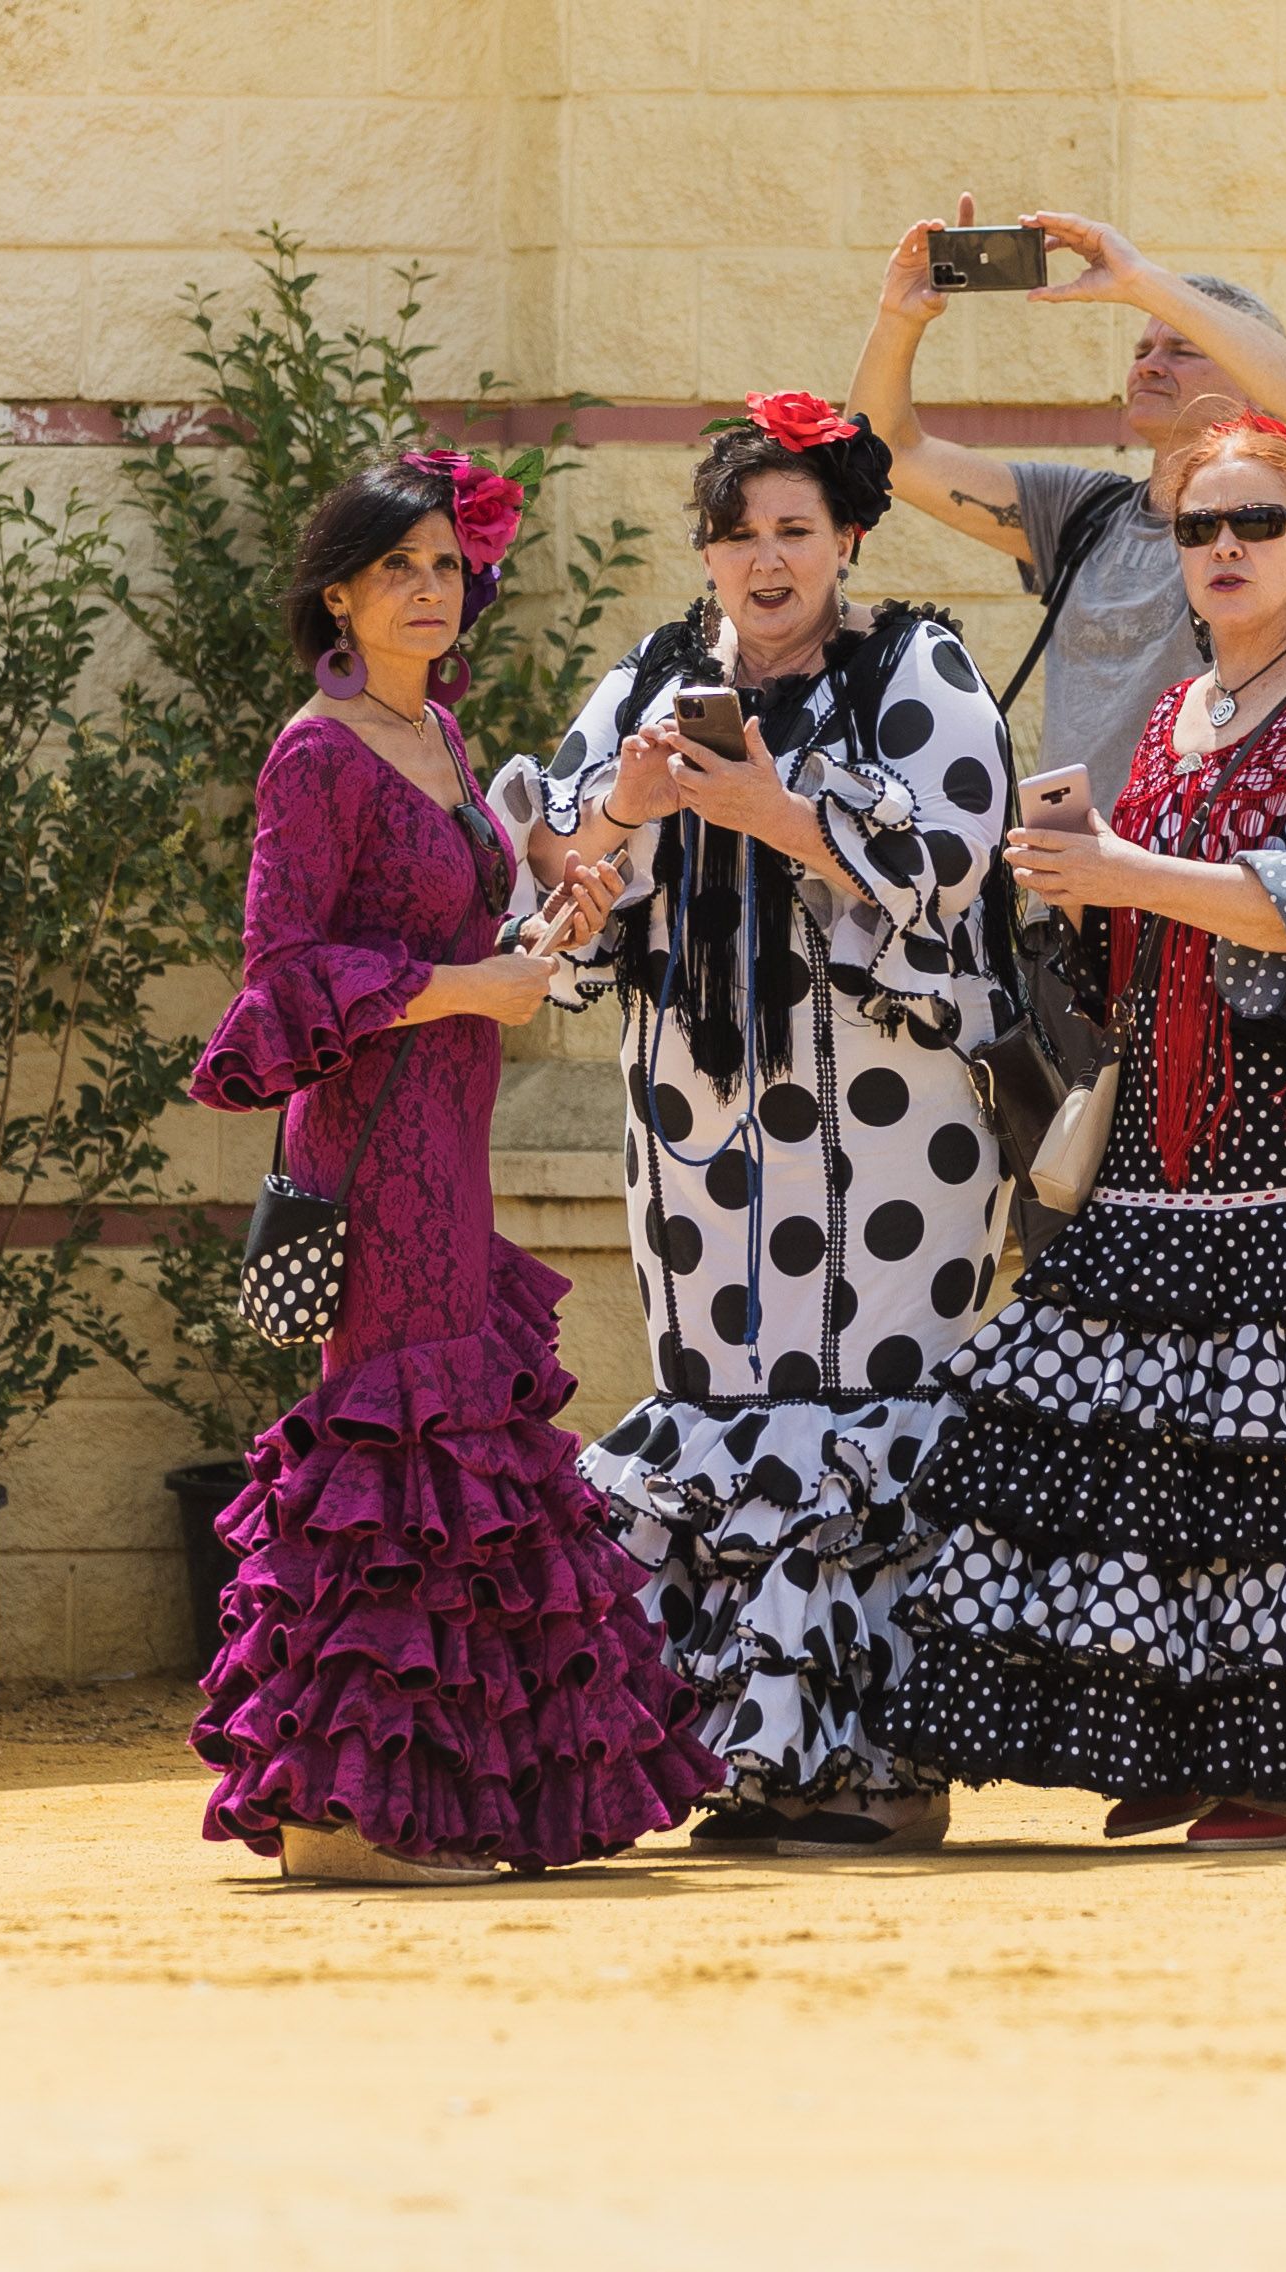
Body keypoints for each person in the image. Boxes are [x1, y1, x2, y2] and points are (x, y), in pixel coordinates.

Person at [875, 413, 1286, 1851]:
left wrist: (1126, 872)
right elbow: (1146, 926)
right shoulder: (1176, 713)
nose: (1224, 548)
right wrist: (1076, 891)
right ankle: (1189, 1735)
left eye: (1257, 522)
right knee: (1154, 1445)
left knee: (1276, 1460)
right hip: (1158, 1126)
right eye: (1199, 526)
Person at [498, 393, 1019, 1856]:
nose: (765, 559)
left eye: (795, 528)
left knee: (870, 1410)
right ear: (708, 552)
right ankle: (753, 1757)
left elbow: (952, 855)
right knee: (724, 1411)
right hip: (698, 1118)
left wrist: (777, 810)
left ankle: (885, 1772)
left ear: (848, 539)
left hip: (892, 1126)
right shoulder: (648, 680)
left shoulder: (916, 665)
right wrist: (625, 811)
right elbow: (549, 894)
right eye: (737, 534)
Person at [188, 453, 719, 1883]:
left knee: (448, 1451)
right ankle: (341, 1815)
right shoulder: (318, 751)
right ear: (337, 597)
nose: (430, 590)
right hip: (372, 1150)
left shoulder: (437, 733)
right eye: (396, 569)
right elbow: (284, 970)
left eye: (445, 566)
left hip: (450, 1138)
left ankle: (417, 1798)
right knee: (396, 1449)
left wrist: (551, 918)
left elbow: (468, 939)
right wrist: (468, 989)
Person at [848, 200, 1286, 814]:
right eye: (1142, 350)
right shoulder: (1080, 513)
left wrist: (1140, 279)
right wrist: (899, 316)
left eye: (1182, 349)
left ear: (1255, 379)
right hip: (1066, 871)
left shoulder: (1282, 516)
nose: (1149, 365)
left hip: (1211, 869)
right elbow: (889, 453)